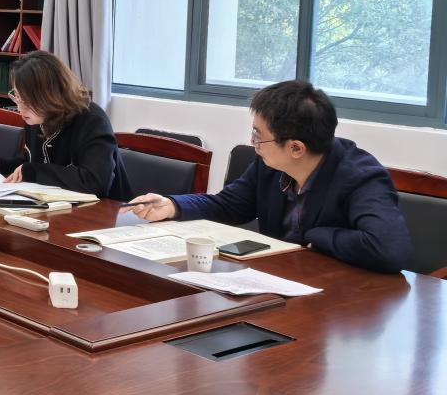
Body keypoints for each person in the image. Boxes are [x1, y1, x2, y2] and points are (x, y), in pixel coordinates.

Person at [125, 79, 411, 274]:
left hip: (344, 301)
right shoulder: (270, 165)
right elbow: (229, 205)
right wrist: (173, 205)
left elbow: (388, 249)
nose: (253, 144)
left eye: (258, 136)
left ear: (296, 148)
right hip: (279, 280)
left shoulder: (361, 177)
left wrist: (315, 236)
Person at [0, 50, 131, 200]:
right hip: (57, 205)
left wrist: (33, 171)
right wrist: (4, 164)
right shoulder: (35, 116)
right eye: (18, 97)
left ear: (50, 95)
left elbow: (95, 182)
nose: (20, 108)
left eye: (27, 101)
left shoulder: (92, 120)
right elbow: (33, 163)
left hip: (107, 209)